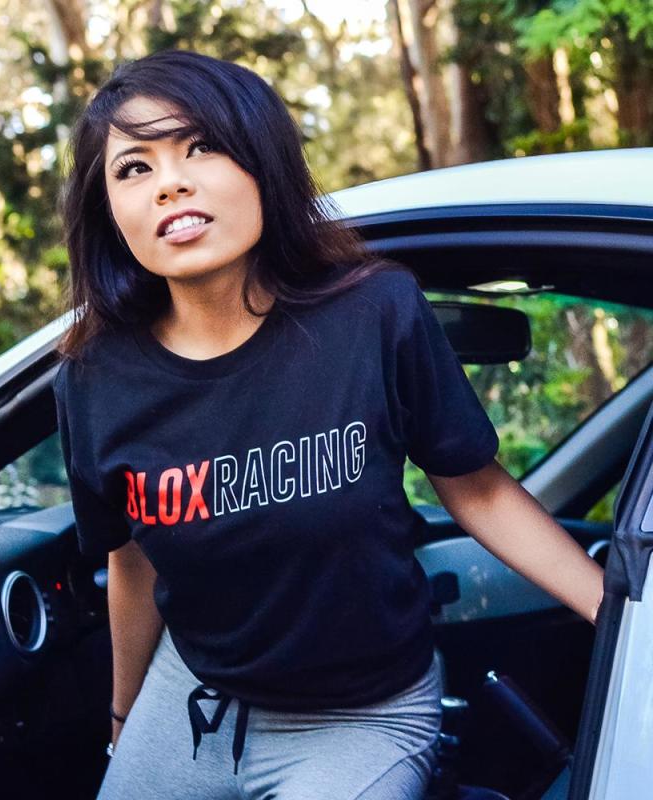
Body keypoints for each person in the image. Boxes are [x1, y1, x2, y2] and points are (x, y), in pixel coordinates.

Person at [52, 49, 605, 800]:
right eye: (133, 168)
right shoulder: (94, 378)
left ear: (262, 160)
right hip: (193, 699)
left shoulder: (372, 314)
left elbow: (477, 490)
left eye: (200, 146)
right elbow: (134, 561)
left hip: (362, 717)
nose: (170, 182)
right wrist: (123, 718)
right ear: (110, 211)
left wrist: (618, 611)